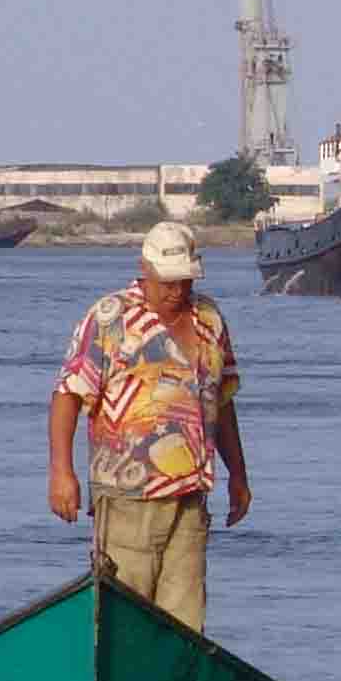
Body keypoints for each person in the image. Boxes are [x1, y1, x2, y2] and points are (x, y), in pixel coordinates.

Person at [48, 220, 249, 632]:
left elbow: (222, 403)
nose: (177, 292)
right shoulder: (110, 319)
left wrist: (239, 476)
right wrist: (61, 473)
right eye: (168, 282)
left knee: (184, 625)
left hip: (191, 498)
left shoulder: (209, 320)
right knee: (124, 615)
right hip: (127, 497)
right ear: (145, 270)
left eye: (185, 282)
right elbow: (68, 395)